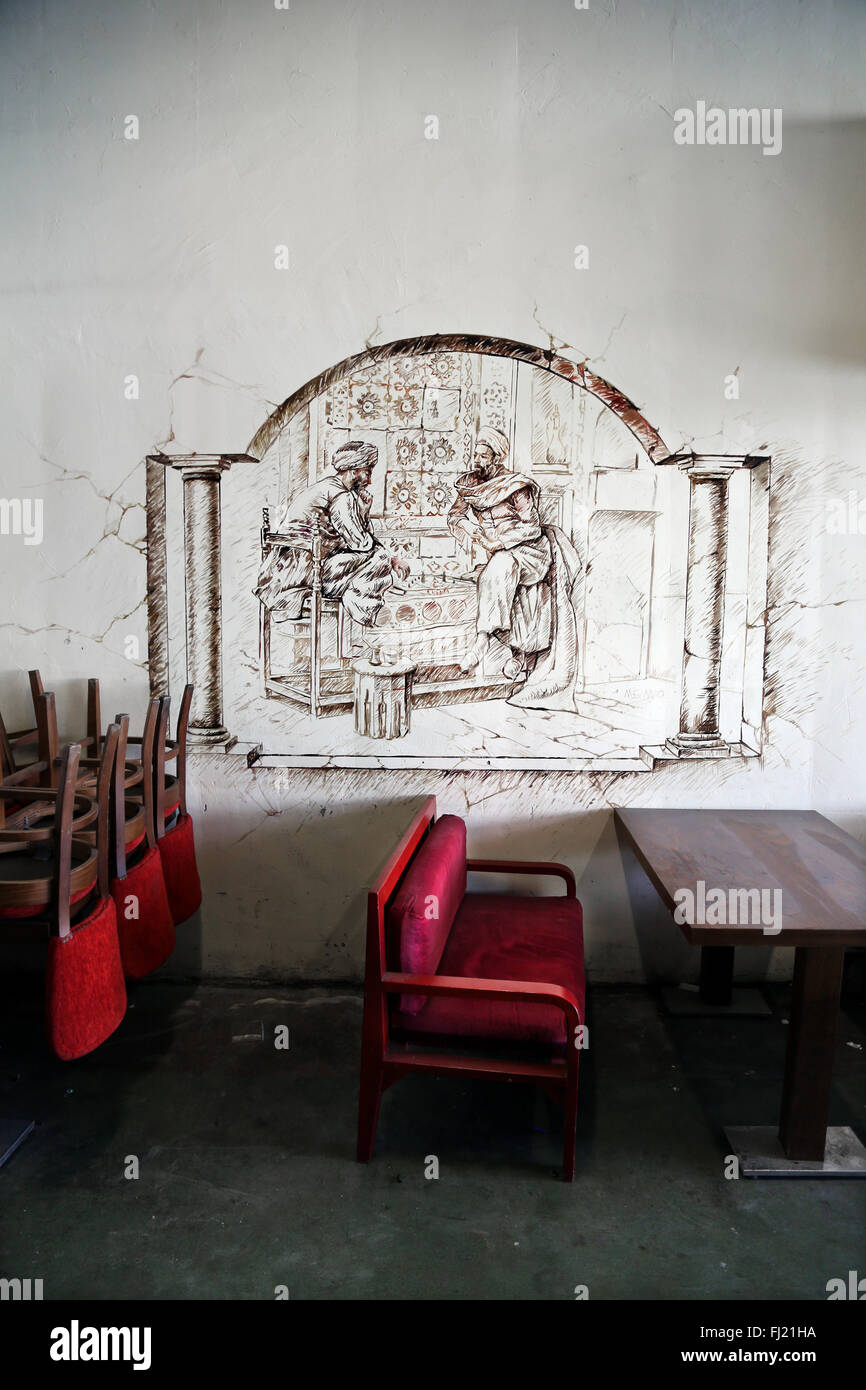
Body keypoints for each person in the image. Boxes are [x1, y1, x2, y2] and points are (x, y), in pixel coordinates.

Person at [255, 440, 409, 626]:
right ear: (354, 470)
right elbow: (360, 542)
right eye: (367, 472)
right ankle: (366, 603)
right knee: (381, 556)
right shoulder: (341, 496)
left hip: (285, 572)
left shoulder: (326, 487)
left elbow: (348, 540)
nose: (369, 481)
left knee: (375, 561)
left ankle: (369, 593)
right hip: (307, 575)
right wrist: (364, 513)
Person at [447, 426, 555, 677]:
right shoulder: (471, 484)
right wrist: (467, 527)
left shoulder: (515, 485)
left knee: (499, 569)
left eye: (483, 457)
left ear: (497, 457)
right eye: (476, 455)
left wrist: (499, 541)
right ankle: (517, 656)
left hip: (530, 552)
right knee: (502, 569)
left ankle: (482, 640)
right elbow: (454, 515)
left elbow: (532, 527)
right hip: (500, 552)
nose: (477, 461)